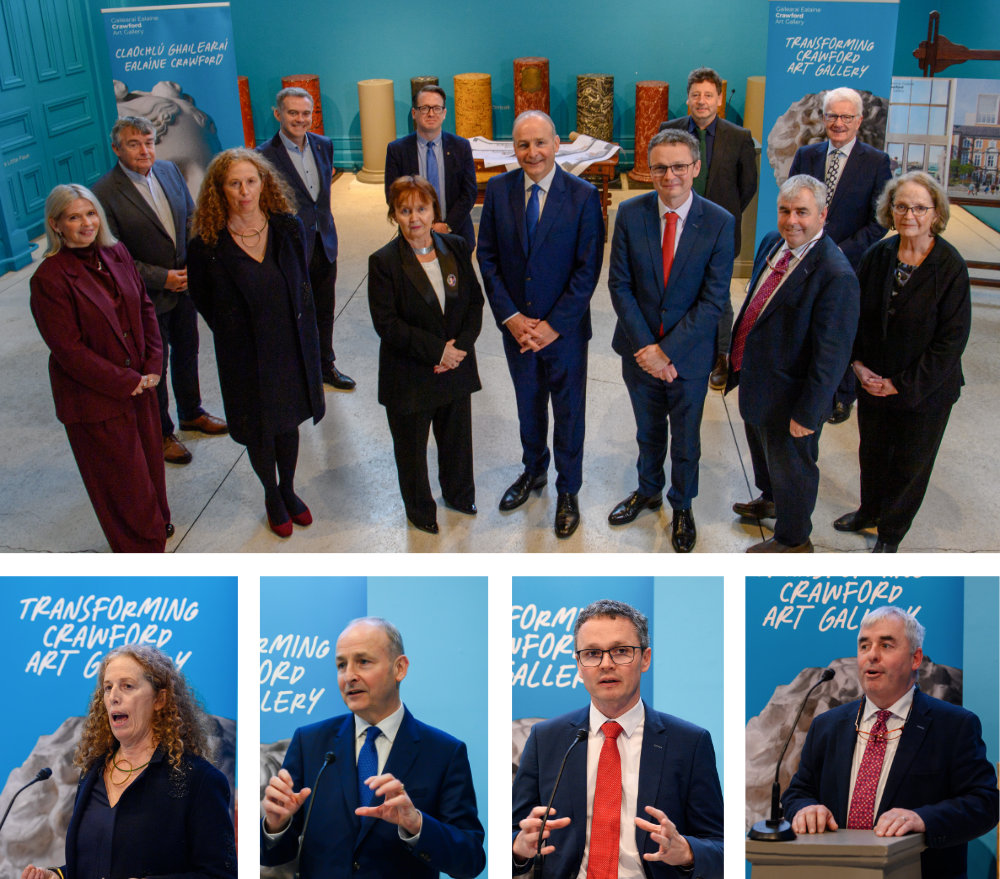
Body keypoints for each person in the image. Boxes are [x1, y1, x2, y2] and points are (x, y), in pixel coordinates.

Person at [512, 599, 723, 879]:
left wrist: (686, 851)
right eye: (592, 653)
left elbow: (720, 848)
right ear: (578, 664)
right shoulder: (546, 739)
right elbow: (513, 832)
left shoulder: (689, 743)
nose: (606, 664)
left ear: (645, 658)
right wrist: (518, 848)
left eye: (621, 651)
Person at [260, 617, 486, 879]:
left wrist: (416, 825)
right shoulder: (309, 743)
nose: (349, 676)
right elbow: (275, 855)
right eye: (341, 665)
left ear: (399, 668)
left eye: (363, 662)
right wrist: (276, 825)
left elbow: (470, 860)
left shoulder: (444, 752)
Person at [782, 606, 998, 879]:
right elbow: (797, 792)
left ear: (915, 658)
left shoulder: (954, 725)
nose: (872, 655)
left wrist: (923, 819)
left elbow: (985, 803)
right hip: (832, 871)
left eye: (886, 645)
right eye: (864, 645)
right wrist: (804, 808)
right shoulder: (827, 725)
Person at [477, 110, 604, 538]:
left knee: (568, 413)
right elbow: (488, 258)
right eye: (523, 144)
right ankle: (534, 472)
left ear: (556, 145)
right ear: (513, 148)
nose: (532, 152)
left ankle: (568, 490)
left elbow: (588, 270)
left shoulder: (584, 196)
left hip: (564, 333)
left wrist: (553, 325)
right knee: (528, 407)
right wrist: (511, 318)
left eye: (540, 143)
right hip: (517, 331)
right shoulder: (497, 191)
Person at [187, 148, 325, 539]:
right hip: (245, 355)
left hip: (290, 343)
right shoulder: (207, 245)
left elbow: (302, 285)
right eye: (234, 183)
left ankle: (288, 489)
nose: (244, 191)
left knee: (288, 421)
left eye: (251, 181)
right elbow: (203, 300)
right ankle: (270, 493)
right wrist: (235, 333)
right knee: (259, 428)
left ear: (264, 184)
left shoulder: (287, 226)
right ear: (220, 190)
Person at [608, 129, 734, 553]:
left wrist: (668, 351)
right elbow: (620, 286)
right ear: (649, 170)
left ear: (695, 168)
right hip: (639, 353)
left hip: (689, 358)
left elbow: (714, 299)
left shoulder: (719, 222)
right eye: (660, 167)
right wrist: (647, 350)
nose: (670, 175)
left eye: (679, 166)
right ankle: (648, 492)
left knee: (686, 438)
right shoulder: (629, 213)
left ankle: (682, 505)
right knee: (647, 432)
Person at [29, 184, 171, 552]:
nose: (86, 223)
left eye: (90, 213)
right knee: (122, 488)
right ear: (56, 225)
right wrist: (128, 381)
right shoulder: (49, 278)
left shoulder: (116, 252)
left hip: (141, 386)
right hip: (97, 402)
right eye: (74, 217)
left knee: (151, 472)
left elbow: (143, 308)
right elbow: (68, 351)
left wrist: (154, 364)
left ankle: (154, 534)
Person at [834, 172, 971, 552]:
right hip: (873, 380)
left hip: (926, 390)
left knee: (909, 465)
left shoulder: (950, 267)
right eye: (901, 206)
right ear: (890, 211)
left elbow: (951, 343)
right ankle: (868, 511)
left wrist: (901, 384)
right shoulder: (878, 255)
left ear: (935, 214)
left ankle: (890, 534)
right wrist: (857, 365)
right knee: (872, 453)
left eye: (919, 208)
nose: (909, 214)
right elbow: (855, 316)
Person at [20, 644, 236, 879]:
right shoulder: (93, 772)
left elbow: (219, 875)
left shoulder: (200, 780)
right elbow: (99, 864)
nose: (113, 697)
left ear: (160, 699)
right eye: (108, 687)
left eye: (127, 686)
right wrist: (58, 876)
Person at [726, 175, 859, 552]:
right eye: (785, 210)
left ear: (823, 214)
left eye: (803, 212)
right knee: (765, 455)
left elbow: (831, 357)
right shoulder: (773, 242)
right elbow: (758, 302)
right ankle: (771, 499)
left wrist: (809, 412)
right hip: (757, 380)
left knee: (794, 469)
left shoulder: (835, 275)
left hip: (792, 396)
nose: (792, 220)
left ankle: (794, 538)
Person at [93, 115, 228, 467]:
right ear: (116, 149)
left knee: (188, 353)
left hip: (185, 288)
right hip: (146, 298)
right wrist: (162, 277)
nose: (144, 150)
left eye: (149, 141)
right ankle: (163, 432)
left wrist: (194, 266)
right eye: (134, 144)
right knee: (156, 366)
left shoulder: (168, 171)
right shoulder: (104, 192)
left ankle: (191, 413)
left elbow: (189, 218)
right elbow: (113, 254)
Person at [368, 175, 484, 534]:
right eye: (404, 210)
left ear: (434, 210)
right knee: (411, 451)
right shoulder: (384, 262)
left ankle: (459, 494)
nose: (414, 217)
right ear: (394, 215)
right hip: (410, 374)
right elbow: (387, 324)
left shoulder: (456, 246)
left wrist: (459, 349)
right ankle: (420, 510)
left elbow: (474, 303)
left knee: (457, 440)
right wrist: (438, 351)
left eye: (421, 208)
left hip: (455, 368)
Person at [788, 86, 892, 424]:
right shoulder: (807, 156)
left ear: (859, 120)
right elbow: (792, 203)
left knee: (841, 329)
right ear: (823, 118)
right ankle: (807, 385)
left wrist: (836, 252)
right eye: (832, 115)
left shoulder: (876, 163)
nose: (839, 123)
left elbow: (880, 221)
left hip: (849, 263)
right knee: (806, 323)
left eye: (847, 116)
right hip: (804, 258)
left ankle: (842, 395)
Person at [660, 67, 758, 391]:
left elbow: (747, 188)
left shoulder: (739, 137)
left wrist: (719, 219)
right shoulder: (668, 131)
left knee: (718, 297)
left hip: (719, 233)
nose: (702, 101)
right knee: (677, 290)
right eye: (696, 95)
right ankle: (677, 347)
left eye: (709, 95)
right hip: (677, 228)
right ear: (687, 99)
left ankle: (721, 357)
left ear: (719, 99)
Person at [258, 86, 355, 391]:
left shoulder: (324, 145)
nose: (299, 119)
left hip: (324, 242)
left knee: (325, 309)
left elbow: (319, 200)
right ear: (278, 114)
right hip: (289, 248)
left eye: (305, 113)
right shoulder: (263, 156)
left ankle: (326, 365)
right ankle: (300, 371)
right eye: (292, 113)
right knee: (294, 312)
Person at [384, 85, 478, 249]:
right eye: (425, 108)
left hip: (456, 231)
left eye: (436, 108)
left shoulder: (461, 147)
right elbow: (392, 195)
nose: (431, 113)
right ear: (414, 113)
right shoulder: (397, 150)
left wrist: (446, 225)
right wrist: (420, 226)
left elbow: (469, 192)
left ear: (444, 113)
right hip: (413, 233)